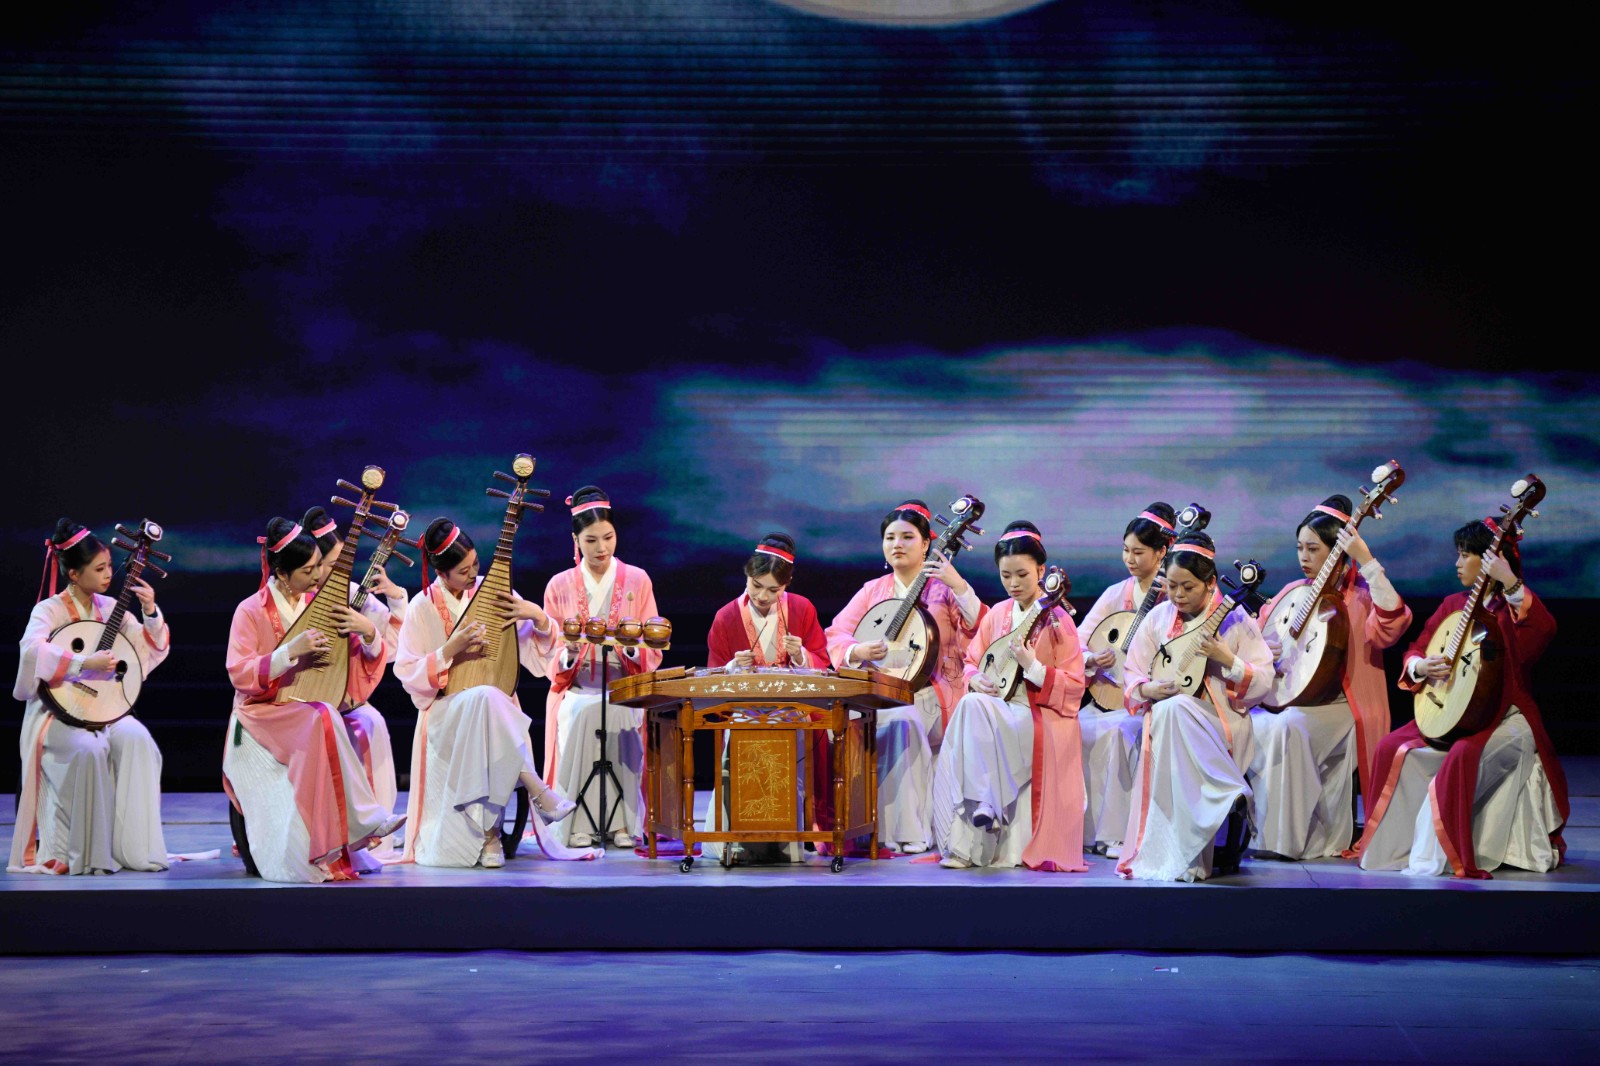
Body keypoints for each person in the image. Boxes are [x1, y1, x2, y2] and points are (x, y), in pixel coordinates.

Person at [1347, 517, 1563, 878]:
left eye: (1466, 555)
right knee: (1390, 747)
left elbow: (1541, 634)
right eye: (1458, 554)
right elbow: (1416, 648)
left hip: (1507, 716)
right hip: (1454, 712)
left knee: (1463, 755)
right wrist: (1420, 666)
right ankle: (1392, 851)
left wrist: (1511, 582)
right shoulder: (1453, 604)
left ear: (1490, 560)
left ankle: (1444, 853)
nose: (1457, 563)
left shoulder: (1511, 609)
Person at [394, 517, 587, 867]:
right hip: (445, 714)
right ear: (441, 573)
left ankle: (490, 835)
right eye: (463, 570)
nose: (473, 574)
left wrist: (539, 618)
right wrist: (449, 650)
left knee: (488, 699)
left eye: (476, 564)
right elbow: (407, 673)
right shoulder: (421, 607)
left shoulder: (492, 592)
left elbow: (533, 656)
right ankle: (527, 798)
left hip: (493, 711)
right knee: (486, 697)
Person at [223, 517, 404, 882]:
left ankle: (355, 827)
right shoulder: (250, 610)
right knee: (323, 715)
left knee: (326, 714)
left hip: (304, 706)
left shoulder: (319, 603)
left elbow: (352, 661)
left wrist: (369, 633)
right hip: (261, 712)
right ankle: (364, 820)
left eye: (320, 565)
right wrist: (289, 651)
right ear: (282, 573)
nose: (318, 575)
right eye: (308, 570)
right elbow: (239, 672)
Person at [1250, 495, 1410, 860]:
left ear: (1337, 551)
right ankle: (1263, 835)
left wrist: (1366, 560)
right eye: (1299, 548)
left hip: (1343, 706)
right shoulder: (1294, 592)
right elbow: (1257, 636)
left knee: (1289, 726)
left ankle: (1287, 841)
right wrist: (1261, 650)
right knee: (1256, 724)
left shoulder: (1361, 596)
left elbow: (1392, 626)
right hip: (1293, 698)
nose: (1303, 557)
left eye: (1313, 549)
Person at [9, 519, 171, 874]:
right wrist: (81, 663)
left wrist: (150, 613)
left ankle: (134, 850)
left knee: (139, 739)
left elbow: (147, 649)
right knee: (89, 749)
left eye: (110, 566)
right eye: (99, 569)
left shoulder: (110, 608)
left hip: (103, 709)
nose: (108, 574)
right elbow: (31, 651)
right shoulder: (48, 610)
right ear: (73, 573)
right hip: (56, 713)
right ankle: (88, 855)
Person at [825, 500, 985, 854]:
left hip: (933, 693)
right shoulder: (873, 591)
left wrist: (959, 585)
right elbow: (836, 634)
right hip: (880, 692)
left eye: (907, 537)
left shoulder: (943, 588)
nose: (897, 544)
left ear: (927, 543)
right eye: (890, 537)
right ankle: (856, 826)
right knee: (842, 723)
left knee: (903, 720)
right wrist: (858, 651)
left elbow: (979, 627)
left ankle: (909, 831)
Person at [1116, 532, 1274, 881]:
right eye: (1172, 586)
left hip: (1221, 726)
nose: (1178, 595)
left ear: (1211, 582)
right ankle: (1216, 804)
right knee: (1171, 709)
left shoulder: (1235, 620)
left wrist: (1227, 659)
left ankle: (1220, 798)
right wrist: (1149, 688)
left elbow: (1265, 680)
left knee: (1174, 710)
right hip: (1168, 726)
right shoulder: (1158, 618)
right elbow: (1133, 673)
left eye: (1187, 587)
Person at [931, 523, 1087, 871]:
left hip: (1036, 714)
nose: (1013, 583)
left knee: (973, 712)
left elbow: (1075, 685)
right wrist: (975, 679)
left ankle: (981, 815)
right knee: (972, 703)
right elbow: (972, 662)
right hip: (997, 710)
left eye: (1022, 575)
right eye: (1006, 576)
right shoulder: (998, 614)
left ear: (1041, 572)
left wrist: (1033, 667)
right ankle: (980, 815)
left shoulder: (1058, 620)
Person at [541, 486, 662, 850]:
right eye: (591, 540)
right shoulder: (559, 585)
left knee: (620, 715)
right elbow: (548, 650)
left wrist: (632, 648)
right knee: (582, 713)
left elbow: (652, 646)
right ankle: (576, 821)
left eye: (608, 537)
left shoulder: (638, 580)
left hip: (624, 690)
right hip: (578, 689)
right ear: (575, 540)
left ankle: (623, 822)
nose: (601, 548)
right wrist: (568, 653)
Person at [702, 533, 831, 864]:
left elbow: (822, 662)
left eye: (773, 590)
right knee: (744, 738)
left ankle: (787, 842)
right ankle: (741, 839)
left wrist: (800, 655)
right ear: (747, 575)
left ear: (786, 585)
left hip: (792, 711)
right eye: (756, 585)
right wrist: (733, 667)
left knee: (796, 737)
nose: (762, 596)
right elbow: (713, 676)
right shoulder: (726, 616)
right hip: (744, 712)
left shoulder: (801, 608)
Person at [303, 505, 408, 852]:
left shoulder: (351, 593)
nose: (340, 571)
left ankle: (377, 833)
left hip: (342, 700)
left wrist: (371, 627)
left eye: (343, 563)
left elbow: (392, 647)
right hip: (301, 700)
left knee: (371, 721)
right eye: (333, 564)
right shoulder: (295, 595)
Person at [1073, 503, 1175, 855]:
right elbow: (1077, 639)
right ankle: (1081, 832)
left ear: (1162, 552)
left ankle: (1116, 834)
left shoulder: (1173, 597)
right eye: (1126, 550)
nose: (1129, 559)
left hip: (1145, 702)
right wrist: (1091, 658)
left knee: (1119, 734)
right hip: (1107, 695)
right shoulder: (1116, 593)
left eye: (1139, 552)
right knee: (1073, 728)